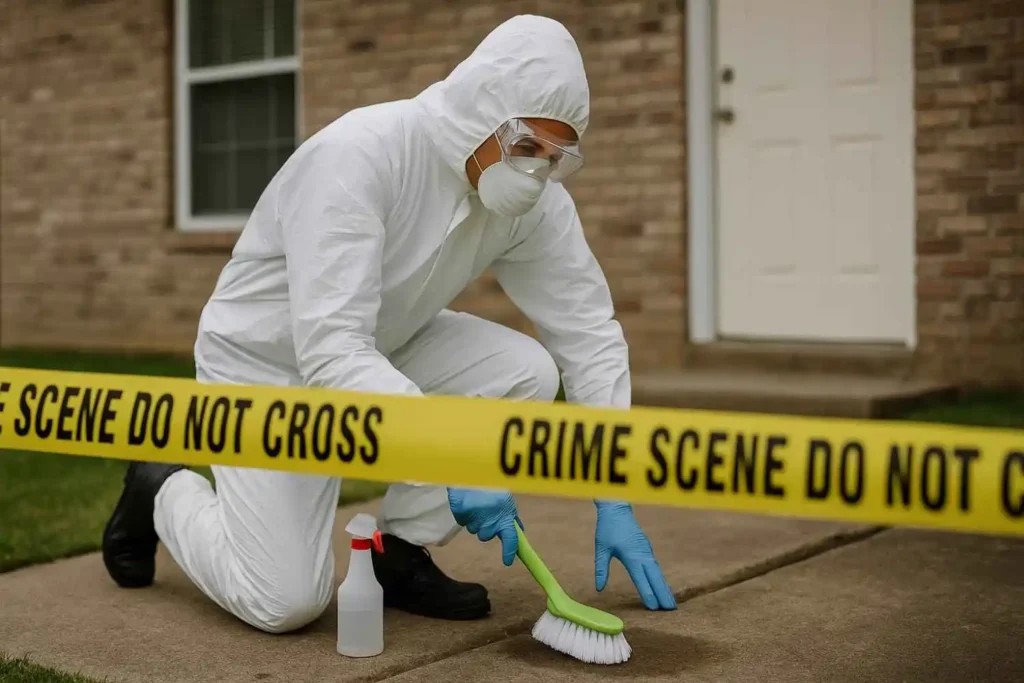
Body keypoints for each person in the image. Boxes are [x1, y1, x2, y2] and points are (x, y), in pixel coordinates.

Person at [101, 14, 676, 635]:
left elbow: (589, 333)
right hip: (266, 367)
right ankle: (160, 490)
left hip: (385, 343)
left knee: (525, 374)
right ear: (483, 110)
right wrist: (450, 463)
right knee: (284, 602)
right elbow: (329, 351)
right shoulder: (362, 154)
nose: (537, 171)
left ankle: (398, 553)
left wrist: (613, 494)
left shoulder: (532, 206)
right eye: (527, 146)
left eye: (556, 157)